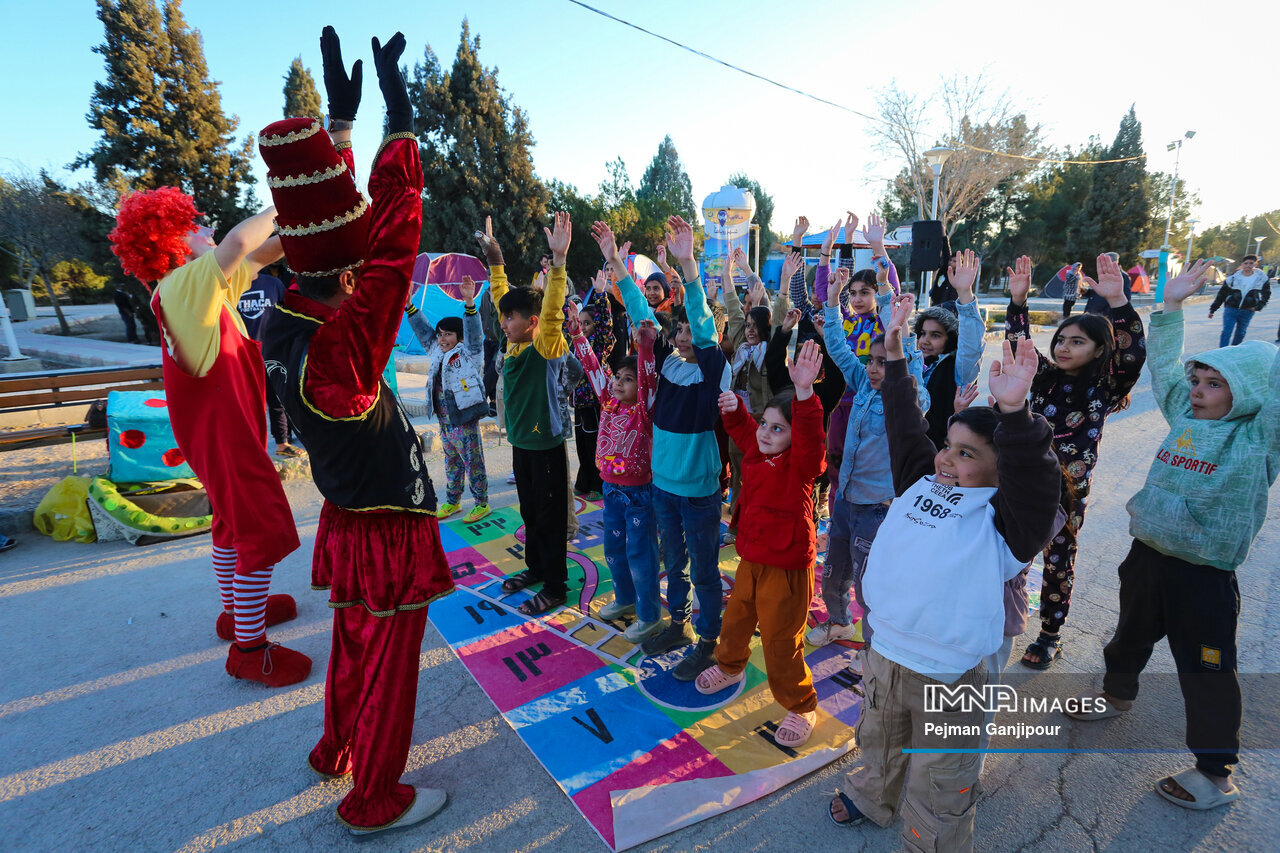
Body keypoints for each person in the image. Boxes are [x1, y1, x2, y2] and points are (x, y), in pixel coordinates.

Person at [259, 28, 453, 837]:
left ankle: (336, 746)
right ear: (345, 273)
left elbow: (336, 229)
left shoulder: (287, 317)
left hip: (345, 511)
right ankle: (375, 795)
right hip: (382, 523)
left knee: (349, 646)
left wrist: (342, 122)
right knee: (388, 666)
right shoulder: (344, 343)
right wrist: (400, 118)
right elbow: (396, 233)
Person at [827, 298, 1062, 853]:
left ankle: (929, 840)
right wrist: (895, 354)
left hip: (951, 677)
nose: (946, 462)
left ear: (1000, 473)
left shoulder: (1004, 521)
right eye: (948, 449)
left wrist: (1015, 415)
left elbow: (1036, 483)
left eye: (966, 455)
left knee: (942, 773)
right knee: (880, 741)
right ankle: (871, 796)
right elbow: (907, 428)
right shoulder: (920, 483)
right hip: (886, 655)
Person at [1065, 259, 1279, 812]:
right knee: (1128, 635)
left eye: (1216, 384)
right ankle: (1116, 695)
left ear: (1253, 393)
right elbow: (1163, 366)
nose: (1200, 390)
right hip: (1149, 555)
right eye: (1200, 380)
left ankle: (1214, 772)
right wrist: (1172, 307)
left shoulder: (1259, 435)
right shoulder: (1186, 415)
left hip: (1203, 575)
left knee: (1207, 667)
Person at [109, 190, 304, 687]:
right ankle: (249, 649)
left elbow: (262, 252)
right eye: (189, 227)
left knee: (230, 524)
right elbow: (242, 240)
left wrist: (310, 219)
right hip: (226, 438)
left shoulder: (199, 287)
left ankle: (235, 613)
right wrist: (288, 196)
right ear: (168, 246)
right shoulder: (183, 285)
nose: (203, 229)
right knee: (258, 531)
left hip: (219, 435)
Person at [592, 217, 729, 681]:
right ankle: (679, 626)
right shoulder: (659, 369)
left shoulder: (712, 370)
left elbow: (705, 325)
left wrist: (689, 266)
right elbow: (639, 314)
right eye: (682, 329)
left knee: (707, 572)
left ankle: (708, 642)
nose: (687, 335)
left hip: (699, 493)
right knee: (675, 564)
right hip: (662, 489)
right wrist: (615, 261)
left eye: (695, 328)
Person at [1004, 254, 1146, 669]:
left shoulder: (1104, 386)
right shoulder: (1042, 376)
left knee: (1058, 562)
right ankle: (1003, 615)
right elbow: (1018, 345)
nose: (1064, 347)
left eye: (1078, 341)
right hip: (1021, 484)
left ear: (1101, 349)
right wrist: (1017, 304)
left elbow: (1133, 355)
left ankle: (1050, 634)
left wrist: (1119, 301)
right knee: (1010, 554)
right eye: (1062, 340)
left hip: (1067, 495)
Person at [696, 341, 827, 746]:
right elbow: (744, 431)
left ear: (795, 433)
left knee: (780, 641)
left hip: (787, 568)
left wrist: (804, 395)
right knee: (735, 621)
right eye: (766, 423)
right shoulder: (759, 448)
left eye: (778, 428)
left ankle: (800, 703)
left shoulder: (800, 464)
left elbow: (810, 444)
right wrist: (734, 410)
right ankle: (730, 665)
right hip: (750, 558)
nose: (767, 434)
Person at [808, 266, 927, 653]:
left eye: (883, 361)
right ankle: (839, 623)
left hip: (876, 508)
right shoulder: (861, 381)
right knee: (833, 573)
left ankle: (878, 651)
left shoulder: (908, 399)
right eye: (872, 361)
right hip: (845, 500)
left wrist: (899, 332)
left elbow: (906, 363)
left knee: (869, 584)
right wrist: (832, 300)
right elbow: (839, 348)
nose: (875, 368)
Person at [483, 212, 574, 616]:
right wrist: (496, 260)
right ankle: (536, 569)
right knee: (531, 513)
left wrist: (558, 263)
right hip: (522, 445)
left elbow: (552, 311)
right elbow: (500, 294)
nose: (504, 322)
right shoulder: (515, 343)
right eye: (503, 317)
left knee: (551, 519)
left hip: (547, 448)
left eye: (511, 318)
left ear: (531, 322)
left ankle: (556, 586)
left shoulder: (545, 344)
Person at [568, 306, 663, 642]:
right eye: (617, 376)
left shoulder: (644, 409)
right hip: (610, 490)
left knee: (641, 553)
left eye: (628, 378)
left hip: (639, 495)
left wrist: (646, 347)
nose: (619, 382)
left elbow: (649, 379)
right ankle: (625, 599)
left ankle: (650, 614)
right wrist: (578, 336)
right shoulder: (608, 401)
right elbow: (593, 368)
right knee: (614, 550)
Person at [404, 274, 490, 523]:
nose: (442, 339)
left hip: (464, 418)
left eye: (448, 334)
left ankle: (482, 503)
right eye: (440, 334)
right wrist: (410, 305)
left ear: (459, 337)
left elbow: (475, 334)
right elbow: (423, 331)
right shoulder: (435, 350)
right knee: (451, 461)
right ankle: (453, 501)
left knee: (472, 461)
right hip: (445, 420)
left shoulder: (469, 351)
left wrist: (469, 303)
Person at [721, 247, 772, 544]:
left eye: (756, 326)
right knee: (738, 471)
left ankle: (758, 524)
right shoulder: (740, 344)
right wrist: (728, 274)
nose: (750, 331)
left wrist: (749, 270)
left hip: (763, 421)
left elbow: (767, 307)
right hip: (738, 419)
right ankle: (736, 526)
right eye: (747, 326)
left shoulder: (773, 352)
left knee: (760, 475)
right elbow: (732, 307)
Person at [913, 249, 985, 449]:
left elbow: (971, 346)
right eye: (923, 333)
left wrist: (964, 294)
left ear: (951, 339)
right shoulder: (913, 363)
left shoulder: (958, 371)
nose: (925, 341)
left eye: (936, 335)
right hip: (907, 452)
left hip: (940, 452)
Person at [236, 267, 299, 456]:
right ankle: (252, 447)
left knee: (278, 400)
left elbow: (286, 314)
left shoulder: (273, 284)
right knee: (248, 403)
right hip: (242, 354)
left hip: (273, 352)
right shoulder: (232, 286)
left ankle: (282, 444)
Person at [571, 270, 616, 500]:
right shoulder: (575, 346)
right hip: (580, 403)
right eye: (580, 323)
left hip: (597, 402)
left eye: (588, 323)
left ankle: (599, 484)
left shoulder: (599, 345)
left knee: (596, 444)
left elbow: (605, 326)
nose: (584, 327)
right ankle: (584, 481)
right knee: (581, 445)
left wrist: (600, 295)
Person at [1209, 254, 1271, 347]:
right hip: (1231, 309)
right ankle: (1222, 352)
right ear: (1242, 265)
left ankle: (1234, 351)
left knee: (1240, 333)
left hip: (1248, 310)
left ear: (1256, 264)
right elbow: (1222, 294)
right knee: (1226, 332)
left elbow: (1266, 294)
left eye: (1251, 263)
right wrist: (1213, 309)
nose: (1248, 265)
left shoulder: (1261, 279)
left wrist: (1258, 306)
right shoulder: (1233, 278)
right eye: (1246, 263)